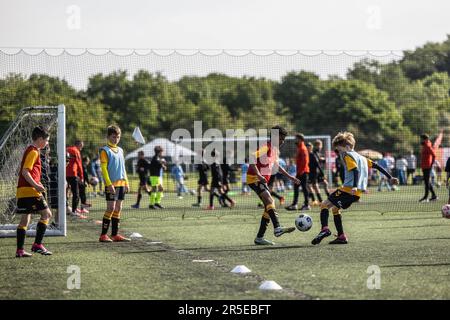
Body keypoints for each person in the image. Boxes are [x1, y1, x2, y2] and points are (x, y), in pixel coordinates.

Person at [311, 132, 399, 245]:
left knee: (324, 205)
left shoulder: (347, 155)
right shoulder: (362, 158)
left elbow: (355, 170)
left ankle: (325, 229)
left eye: (339, 149)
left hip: (348, 189)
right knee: (335, 209)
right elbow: (376, 165)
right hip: (356, 194)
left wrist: (354, 186)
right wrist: (390, 177)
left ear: (346, 147)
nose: (339, 152)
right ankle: (341, 236)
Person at [247, 125, 300, 245]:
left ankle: (259, 237)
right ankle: (277, 228)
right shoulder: (266, 146)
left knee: (269, 205)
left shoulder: (274, 149)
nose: (283, 141)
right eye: (281, 139)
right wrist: (259, 175)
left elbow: (276, 165)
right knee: (269, 199)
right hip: (254, 178)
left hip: (260, 179)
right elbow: (251, 158)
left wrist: (290, 177)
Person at [15, 126, 53, 257]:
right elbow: (25, 171)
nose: (47, 143)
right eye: (47, 140)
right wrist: (36, 185)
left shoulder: (30, 150)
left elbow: (29, 172)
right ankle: (37, 244)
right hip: (30, 190)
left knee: (25, 219)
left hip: (22, 190)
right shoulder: (34, 151)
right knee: (47, 214)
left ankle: (20, 250)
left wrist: (37, 182)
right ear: (41, 139)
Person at [98, 125, 131, 242]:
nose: (116, 139)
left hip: (121, 183)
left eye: (118, 137)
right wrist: (108, 184)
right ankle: (103, 235)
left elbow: (123, 168)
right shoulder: (104, 151)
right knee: (110, 208)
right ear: (108, 137)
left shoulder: (121, 150)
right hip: (111, 184)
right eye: (113, 136)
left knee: (118, 208)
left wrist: (126, 182)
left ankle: (115, 234)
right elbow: (104, 169)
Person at [286, 133, 310, 211]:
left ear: (300, 139)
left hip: (303, 172)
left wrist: (301, 172)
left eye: (296, 139)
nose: (295, 140)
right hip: (299, 172)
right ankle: (294, 204)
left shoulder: (303, 148)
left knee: (304, 188)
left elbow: (305, 161)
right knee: (296, 187)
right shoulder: (299, 148)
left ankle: (307, 205)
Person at [66, 140, 87, 218]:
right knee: (76, 194)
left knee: (66, 192)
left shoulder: (66, 149)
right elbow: (79, 164)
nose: (81, 149)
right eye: (81, 146)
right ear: (78, 145)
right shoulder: (76, 151)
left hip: (63, 174)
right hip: (72, 174)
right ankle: (73, 211)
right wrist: (81, 177)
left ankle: (66, 209)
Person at [419, 134, 438, 202]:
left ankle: (426, 197)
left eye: (421, 139)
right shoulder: (424, 145)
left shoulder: (427, 146)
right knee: (427, 181)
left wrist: (431, 164)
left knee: (426, 182)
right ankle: (434, 196)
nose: (420, 140)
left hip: (427, 166)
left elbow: (434, 155)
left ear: (424, 139)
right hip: (424, 166)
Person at [306, 142, 324, 206]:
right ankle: (319, 201)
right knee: (314, 186)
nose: (308, 148)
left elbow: (317, 164)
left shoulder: (312, 154)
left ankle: (316, 200)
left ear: (311, 148)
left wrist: (321, 172)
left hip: (314, 172)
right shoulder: (306, 154)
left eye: (309, 146)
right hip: (309, 172)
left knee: (310, 185)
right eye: (307, 146)